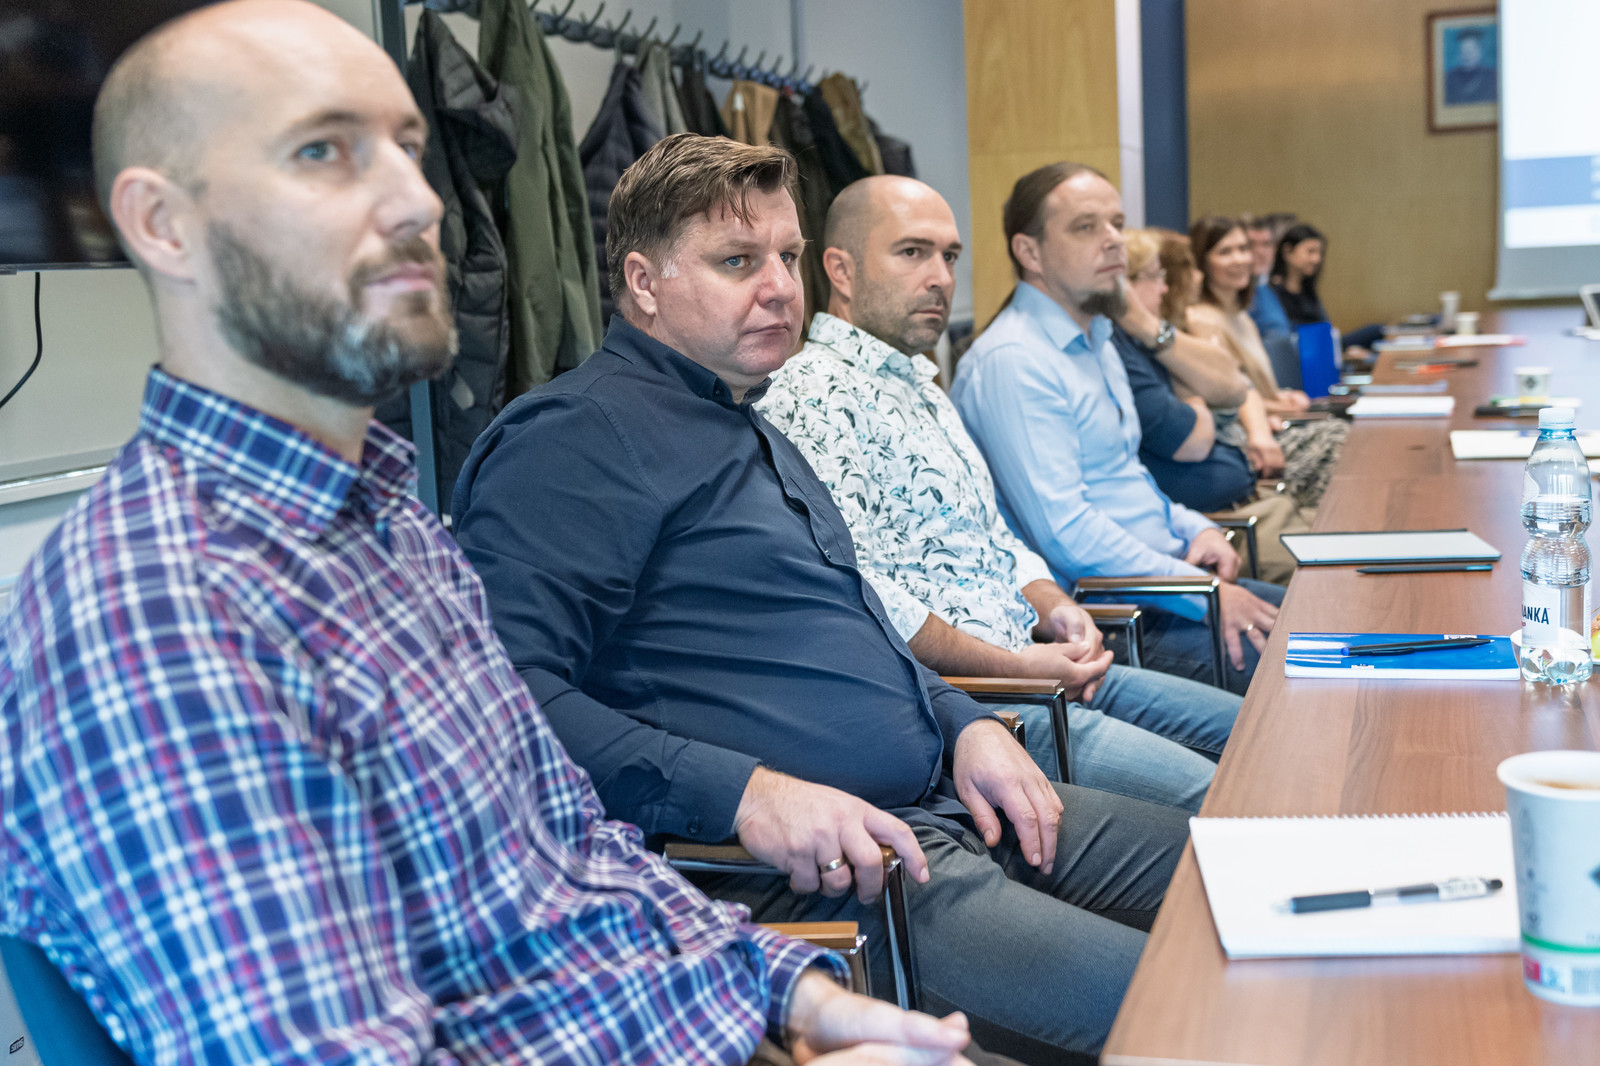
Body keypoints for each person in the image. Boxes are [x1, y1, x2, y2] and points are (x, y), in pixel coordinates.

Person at [0, 5, 987, 1064]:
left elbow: (573, 855)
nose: (419, 200)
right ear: (162, 224)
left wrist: (790, 994)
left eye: (409, 147)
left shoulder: (392, 533)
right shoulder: (161, 608)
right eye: (324, 151)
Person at [451, 134, 1190, 1064]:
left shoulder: (747, 416)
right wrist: (743, 793)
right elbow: (502, 703)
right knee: (1206, 1009)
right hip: (843, 873)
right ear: (643, 283)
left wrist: (962, 720)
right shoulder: (572, 439)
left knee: (1233, 874)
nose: (779, 288)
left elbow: (858, 630)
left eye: (788, 257)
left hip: (950, 798)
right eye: (736, 262)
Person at [758, 175, 1243, 814]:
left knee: (1254, 732)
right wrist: (1015, 665)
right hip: (980, 706)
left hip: (1038, 666)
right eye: (912, 253)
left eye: (950, 256)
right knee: (1229, 797)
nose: (940, 278)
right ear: (840, 271)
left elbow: (995, 536)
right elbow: (865, 594)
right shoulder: (806, 393)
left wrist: (1053, 606)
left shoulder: (923, 386)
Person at [951, 163, 1284, 698]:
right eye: (1086, 227)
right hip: (1115, 616)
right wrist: (1202, 590)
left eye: (1117, 223)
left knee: (1325, 620)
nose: (1113, 241)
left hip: (1167, 581)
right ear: (1030, 252)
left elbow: (1129, 481)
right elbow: (1066, 533)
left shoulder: (1098, 337)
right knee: (1311, 670)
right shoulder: (1014, 360)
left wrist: (1193, 527)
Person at [1112, 228, 1310, 584]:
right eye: (1156, 276)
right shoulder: (1119, 347)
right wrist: (1196, 401)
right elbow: (1194, 441)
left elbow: (1235, 385)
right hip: (1221, 526)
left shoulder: (1149, 338)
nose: (1165, 287)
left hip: (1243, 508)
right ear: (1124, 285)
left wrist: (1148, 327)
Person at [1187, 215, 1350, 509]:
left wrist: (1279, 397)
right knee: (1342, 443)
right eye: (1225, 252)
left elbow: (1254, 390)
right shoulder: (1201, 320)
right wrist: (1274, 409)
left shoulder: (1242, 316)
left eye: (1243, 249)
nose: (1239, 259)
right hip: (1247, 442)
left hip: (1271, 427)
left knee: (1350, 438)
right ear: (1202, 261)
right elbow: (1227, 399)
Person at [1268, 223, 1384, 354]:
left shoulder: (1308, 291)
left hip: (1323, 347)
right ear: (1288, 251)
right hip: (1301, 350)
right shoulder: (1272, 293)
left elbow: (1326, 327)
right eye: (1310, 251)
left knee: (1378, 331)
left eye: (1319, 253)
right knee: (1375, 331)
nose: (1316, 259)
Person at [1242, 214, 1290, 342]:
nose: (1259, 252)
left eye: (1266, 244)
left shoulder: (1274, 288)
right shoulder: (1237, 295)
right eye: (1251, 244)